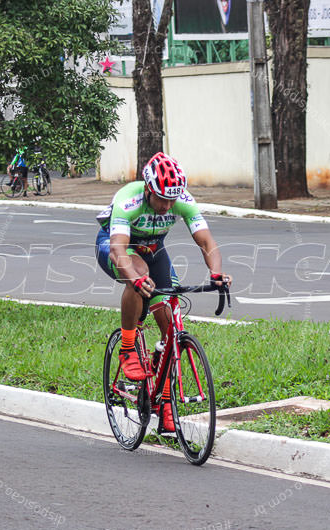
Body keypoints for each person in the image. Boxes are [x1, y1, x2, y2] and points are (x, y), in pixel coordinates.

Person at [95, 152, 231, 431]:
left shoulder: (181, 200)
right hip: (116, 248)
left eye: (172, 200)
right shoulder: (128, 199)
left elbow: (206, 242)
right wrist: (133, 278)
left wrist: (216, 273)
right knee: (140, 275)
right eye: (162, 199)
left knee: (170, 324)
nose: (168, 206)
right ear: (148, 190)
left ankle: (166, 404)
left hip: (155, 250)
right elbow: (120, 249)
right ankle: (128, 347)